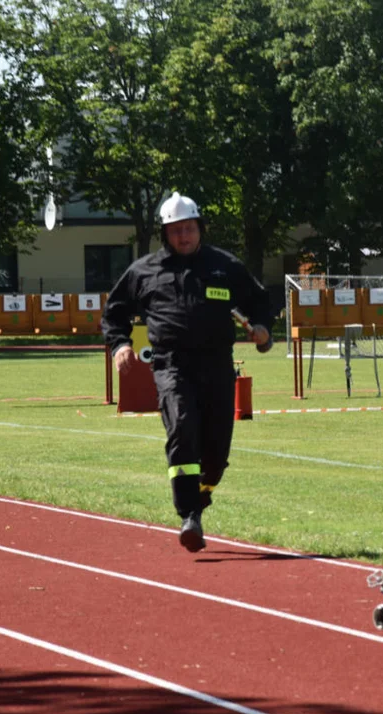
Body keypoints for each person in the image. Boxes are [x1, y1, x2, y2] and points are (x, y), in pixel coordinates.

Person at [102, 192, 274, 552]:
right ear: (165, 233)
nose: (184, 236)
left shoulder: (225, 266)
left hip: (217, 367)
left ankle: (202, 494)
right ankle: (189, 516)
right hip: (171, 365)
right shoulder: (143, 271)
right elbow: (114, 312)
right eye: (176, 230)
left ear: (200, 229)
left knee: (215, 453)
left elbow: (260, 301)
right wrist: (119, 344)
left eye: (190, 229)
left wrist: (261, 327)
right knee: (181, 429)